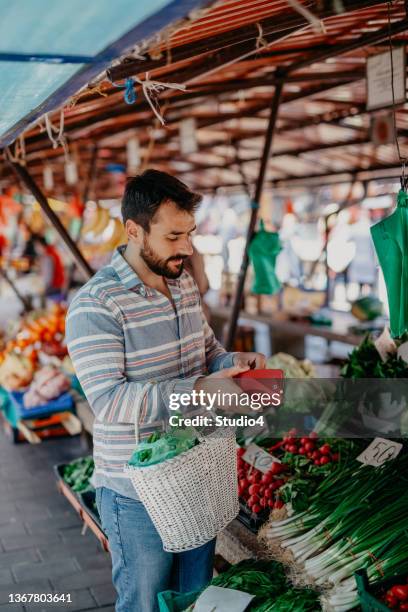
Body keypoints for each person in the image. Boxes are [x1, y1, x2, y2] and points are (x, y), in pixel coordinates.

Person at [65, 169, 265, 612]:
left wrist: (232, 363)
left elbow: (206, 350)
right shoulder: (96, 305)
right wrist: (198, 389)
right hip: (138, 493)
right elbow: (110, 401)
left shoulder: (183, 282)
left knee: (193, 600)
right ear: (134, 231)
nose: (187, 248)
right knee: (143, 603)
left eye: (190, 234)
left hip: (198, 477)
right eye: (174, 236)